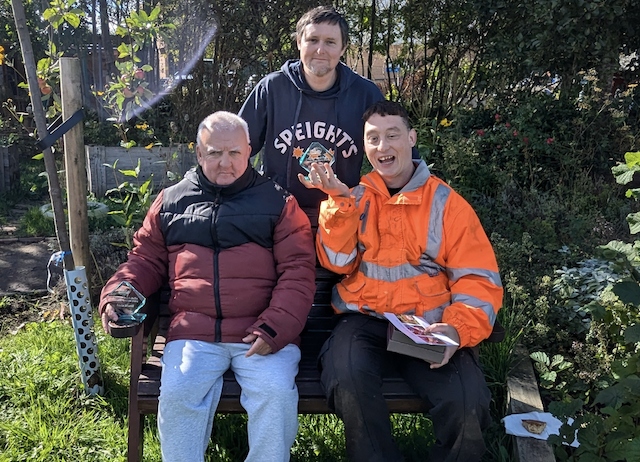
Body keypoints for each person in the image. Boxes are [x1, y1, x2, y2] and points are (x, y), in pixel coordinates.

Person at [99, 111, 316, 462]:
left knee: (275, 393)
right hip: (193, 334)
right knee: (178, 392)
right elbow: (145, 259)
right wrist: (118, 293)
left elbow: (298, 271)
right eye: (214, 153)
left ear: (249, 152)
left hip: (261, 333)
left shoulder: (279, 203)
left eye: (234, 153)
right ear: (199, 154)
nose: (225, 163)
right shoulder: (171, 201)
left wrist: (275, 327)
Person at [299, 100, 504, 461]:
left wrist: (456, 331)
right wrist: (337, 202)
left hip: (426, 326)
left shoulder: (448, 204)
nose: (383, 147)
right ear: (365, 148)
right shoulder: (355, 197)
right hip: (363, 323)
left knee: (467, 402)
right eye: (373, 139)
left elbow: (478, 279)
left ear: (411, 137)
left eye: (392, 135)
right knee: (347, 381)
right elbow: (337, 262)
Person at [238, 5, 385, 224]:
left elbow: (394, 153)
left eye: (330, 42)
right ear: (299, 42)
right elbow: (236, 148)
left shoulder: (365, 94)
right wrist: (249, 195)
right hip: (278, 214)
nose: (320, 50)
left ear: (343, 48)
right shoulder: (272, 88)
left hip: (341, 212)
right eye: (312, 40)